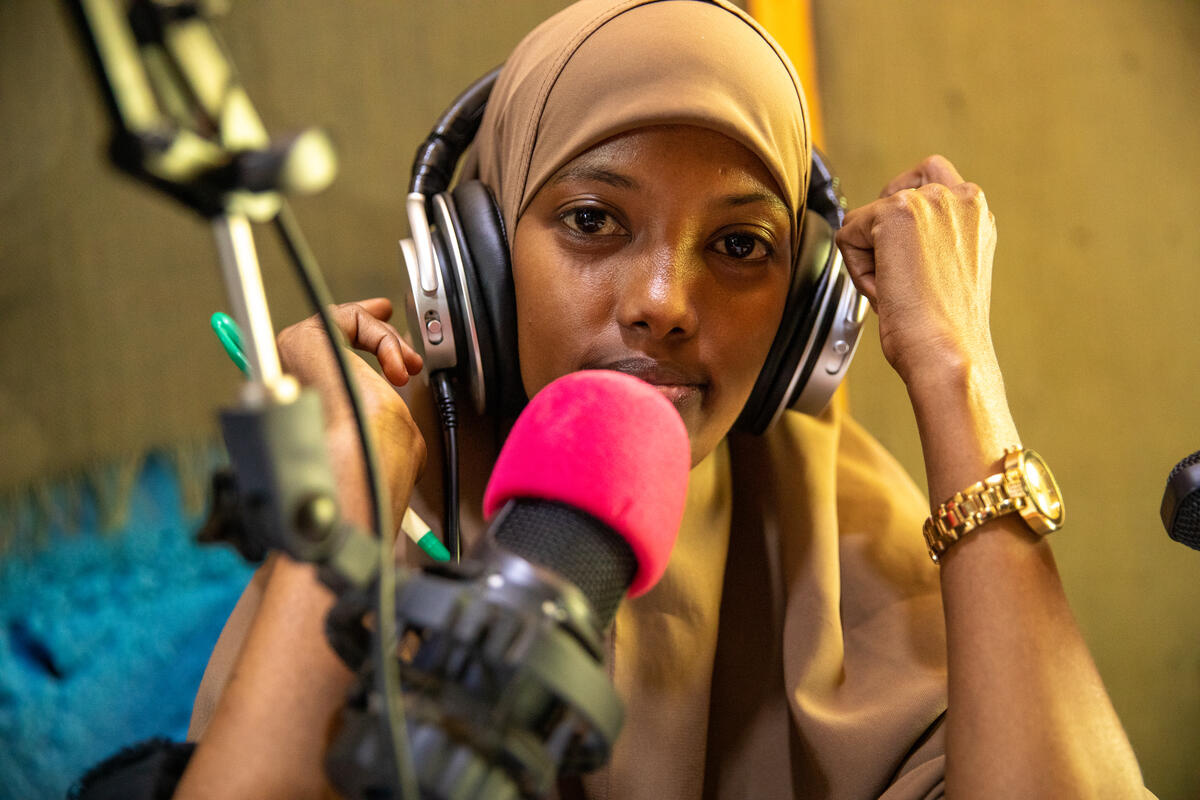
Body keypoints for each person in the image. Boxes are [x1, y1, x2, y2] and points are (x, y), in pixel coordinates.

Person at [172, 1, 1149, 798]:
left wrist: (956, 371)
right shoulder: (376, 501)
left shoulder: (846, 535)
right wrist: (352, 481)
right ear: (476, 264)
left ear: (802, 321)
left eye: (738, 245)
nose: (664, 305)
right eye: (595, 219)